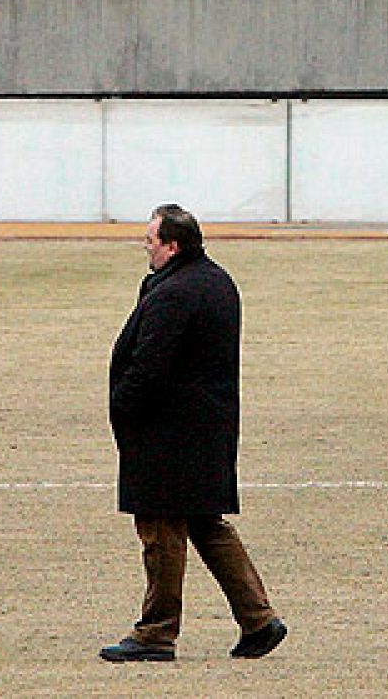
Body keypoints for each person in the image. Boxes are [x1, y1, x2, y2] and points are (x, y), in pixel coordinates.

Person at [101, 204, 287, 663]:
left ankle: (157, 633)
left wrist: (123, 404)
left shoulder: (175, 292)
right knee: (206, 523)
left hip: (169, 433)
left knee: (161, 529)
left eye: (150, 241)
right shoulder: (215, 279)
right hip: (205, 429)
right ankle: (259, 619)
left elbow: (151, 365)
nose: (145, 248)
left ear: (172, 245)